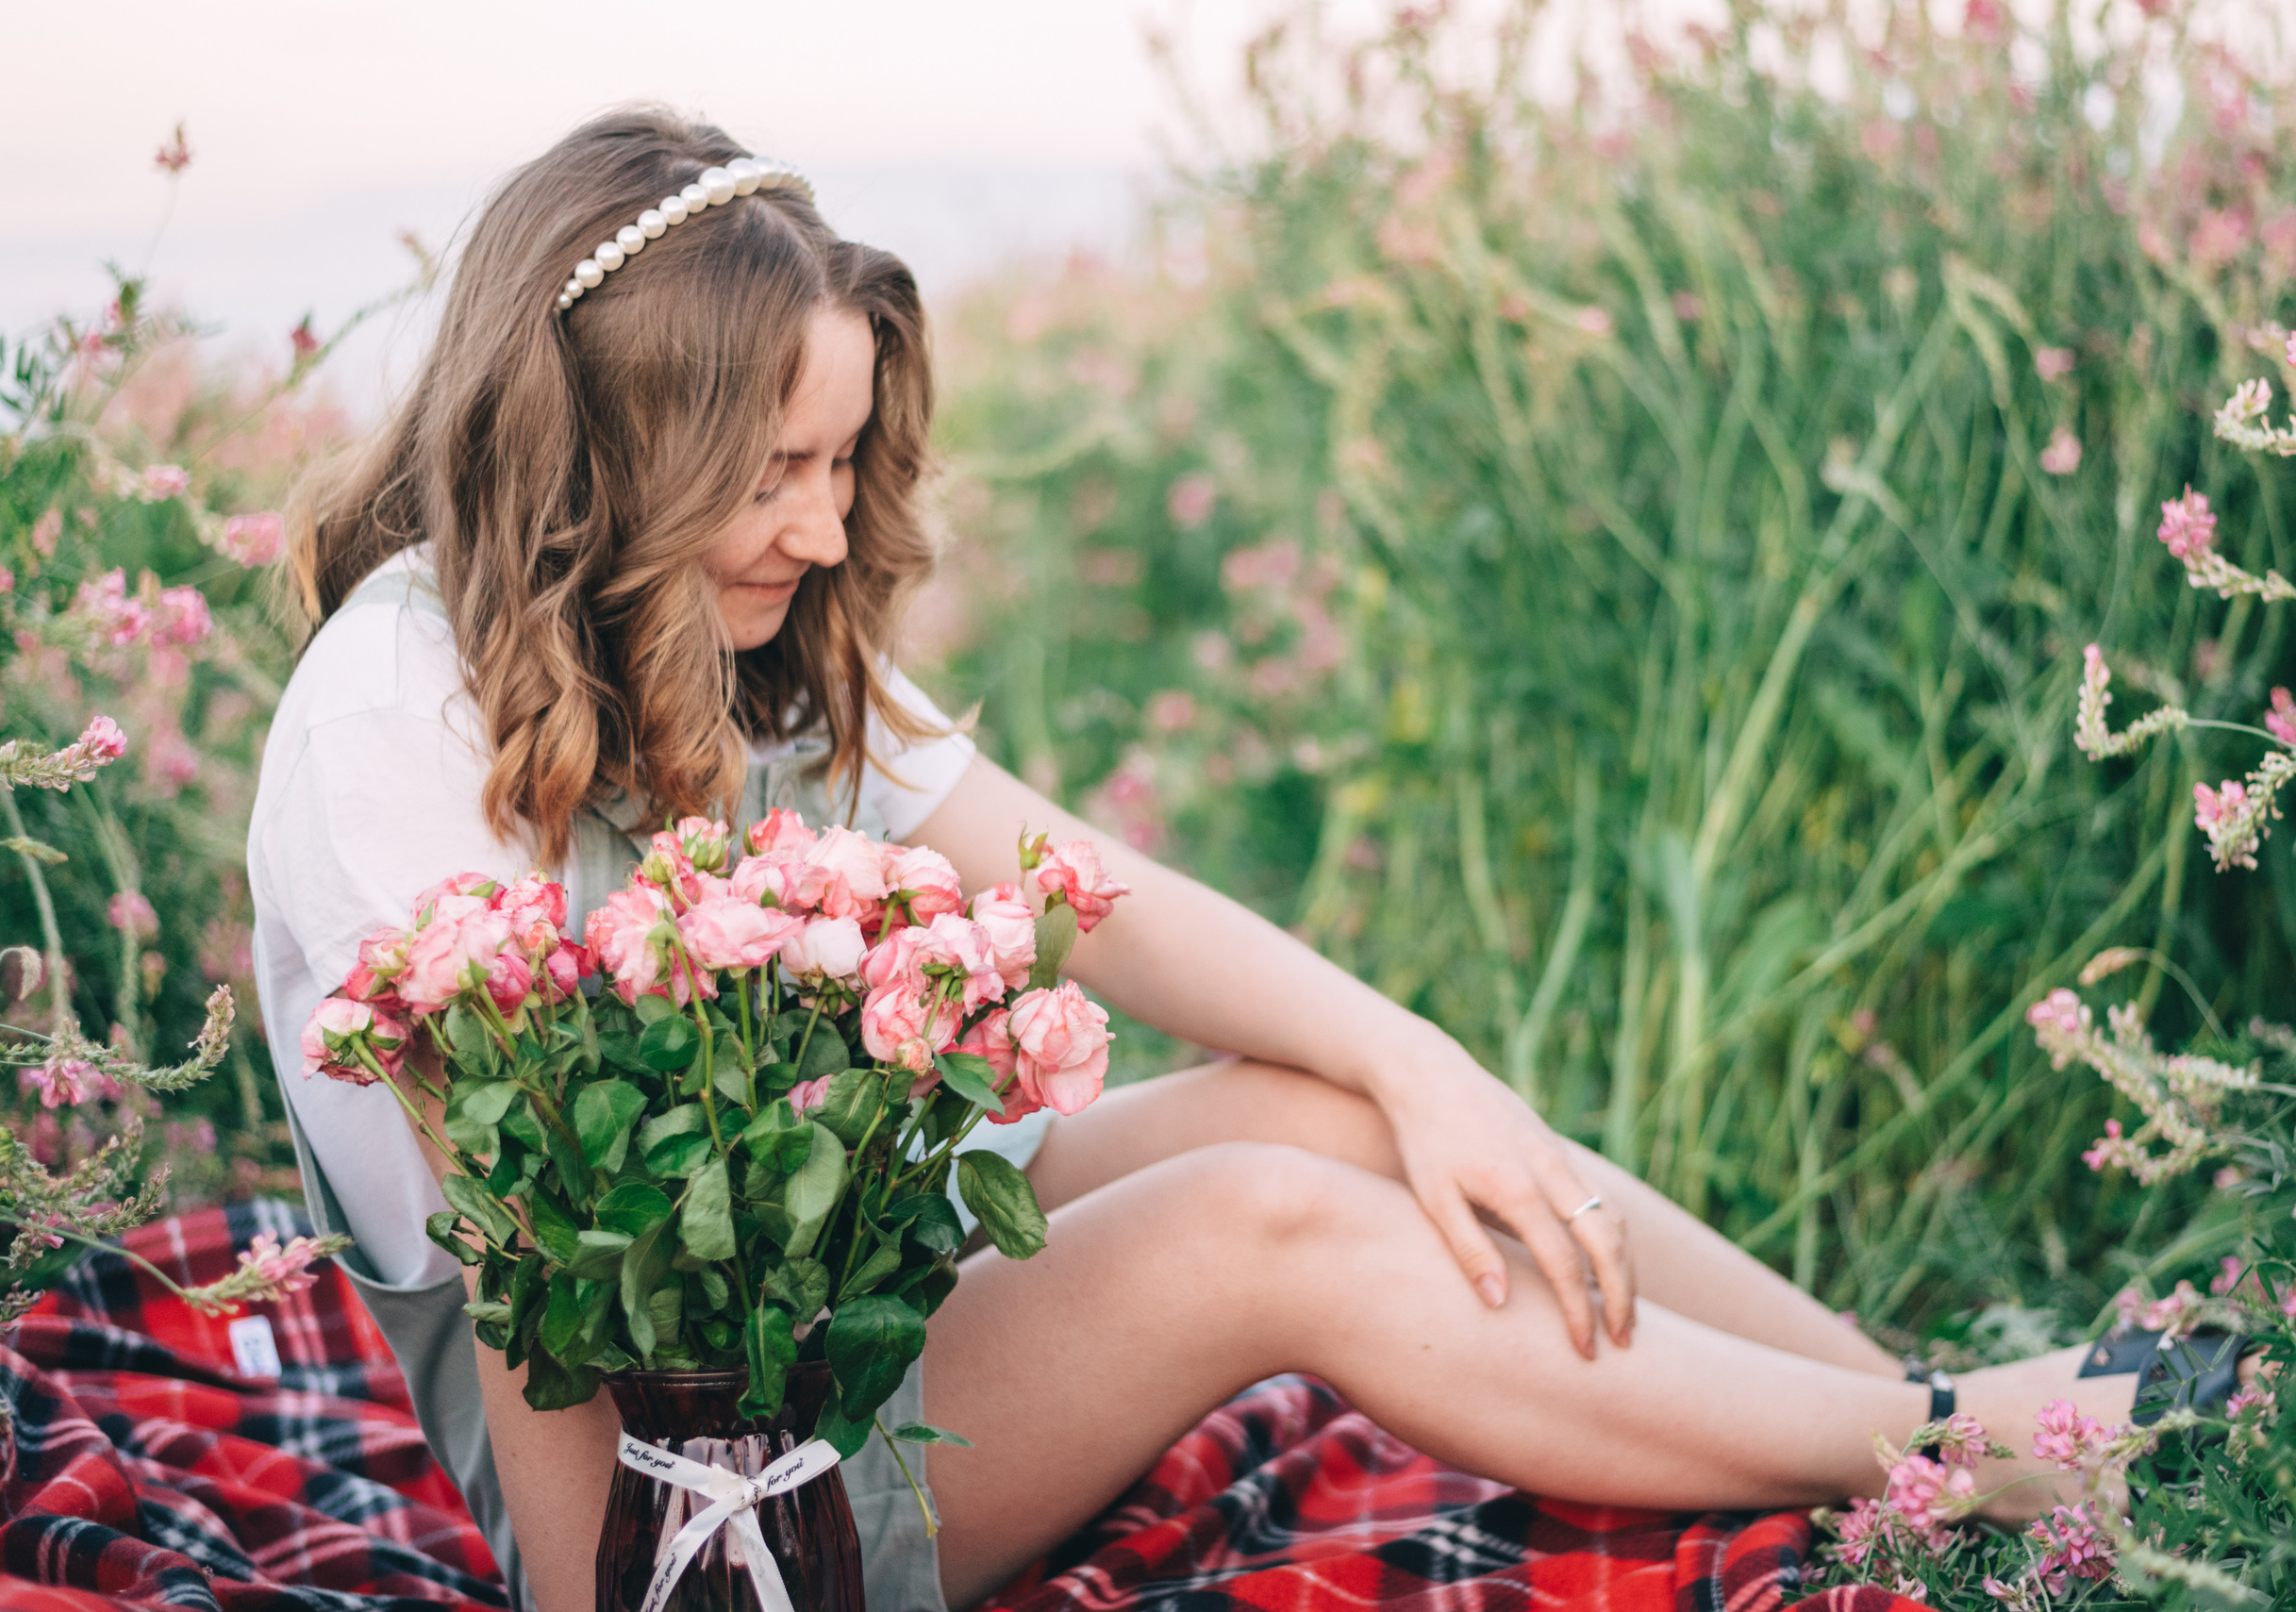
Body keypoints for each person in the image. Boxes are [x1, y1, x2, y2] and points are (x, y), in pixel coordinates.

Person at [248, 108, 2150, 1612]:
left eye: (841, 463)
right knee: (1263, 1222)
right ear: (610, 448)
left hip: (830, 1308)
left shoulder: (715, 632)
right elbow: (545, 1274)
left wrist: (1424, 1073)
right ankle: (1951, 1448)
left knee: (1320, 1108)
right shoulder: (389, 726)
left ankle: (1937, 1415)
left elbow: (1100, 901)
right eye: (772, 474)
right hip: (679, 1487)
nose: (825, 532)